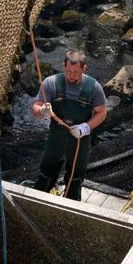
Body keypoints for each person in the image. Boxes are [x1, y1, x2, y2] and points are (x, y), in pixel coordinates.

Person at [31, 50, 108, 201]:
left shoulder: (94, 87)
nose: (72, 76)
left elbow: (102, 113)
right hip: (56, 138)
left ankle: (70, 208)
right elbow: (35, 108)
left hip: (80, 139)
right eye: (68, 71)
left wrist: (86, 127)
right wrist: (42, 110)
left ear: (84, 68)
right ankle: (38, 202)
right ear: (63, 66)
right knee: (46, 174)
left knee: (75, 178)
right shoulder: (51, 83)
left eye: (76, 72)